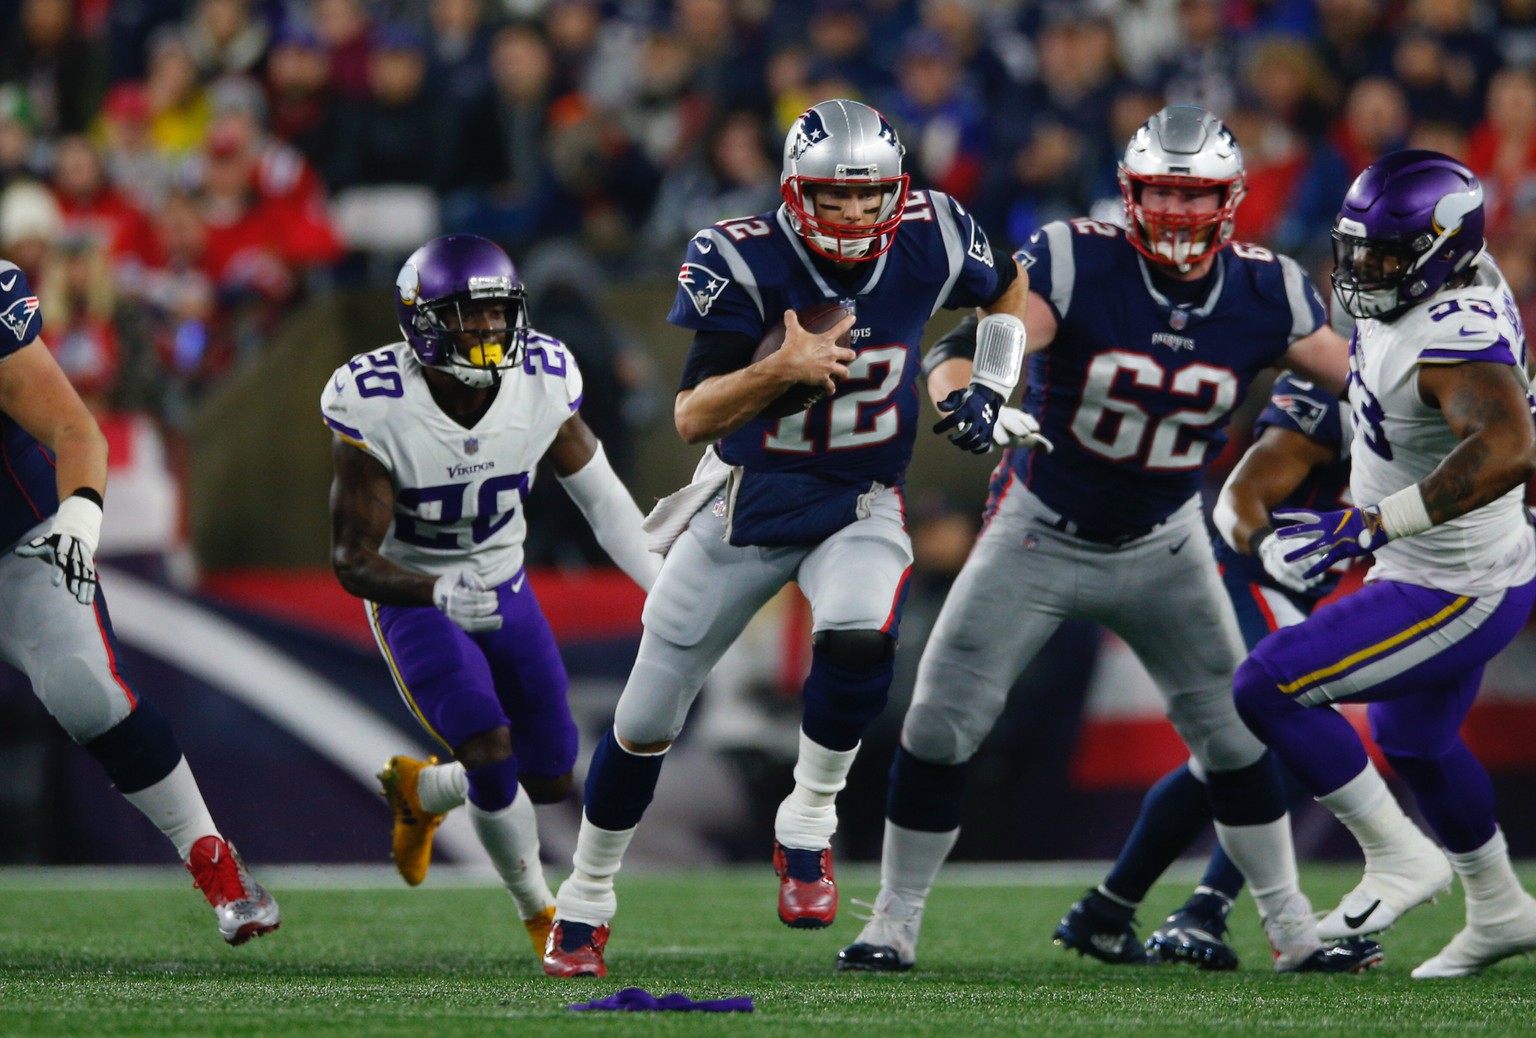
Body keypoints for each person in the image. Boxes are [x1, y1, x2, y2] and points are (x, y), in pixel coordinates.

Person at [837, 104, 1376, 976]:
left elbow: (1366, 382)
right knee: (937, 728)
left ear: (1230, 201)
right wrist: (968, 395)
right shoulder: (1076, 258)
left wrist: (1468, 397)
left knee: (1238, 740)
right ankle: (892, 924)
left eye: (1194, 195)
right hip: (1038, 534)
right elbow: (971, 345)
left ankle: (1294, 932)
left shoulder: (1266, 287)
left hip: (1166, 543)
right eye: (1160, 192)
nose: (1175, 213)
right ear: (1130, 194)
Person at [541, 98, 1031, 978]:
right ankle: (586, 893)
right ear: (794, 194)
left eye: (868, 197)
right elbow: (691, 416)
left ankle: (808, 818)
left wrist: (987, 381)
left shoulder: (936, 231)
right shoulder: (740, 254)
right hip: (745, 501)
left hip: (857, 497)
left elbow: (1009, 297)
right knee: (647, 718)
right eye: (832, 200)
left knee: (855, 630)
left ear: (898, 192)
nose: (852, 216)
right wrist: (778, 369)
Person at [1220, 150, 1536, 979]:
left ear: (1441, 252)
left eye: (1386, 256)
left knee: (1267, 684)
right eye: (1357, 249)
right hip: (1448, 564)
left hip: (1453, 581)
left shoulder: (1453, 333)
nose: (1364, 269)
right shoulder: (1431, 286)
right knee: (1416, 740)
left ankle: (1399, 855)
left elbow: (1507, 446)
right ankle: (1503, 908)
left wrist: (1373, 523)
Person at [321, 234, 659, 959]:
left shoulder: (541, 380)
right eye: (466, 317)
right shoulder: (377, 403)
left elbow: (603, 501)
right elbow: (352, 559)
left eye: (497, 315)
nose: (486, 331)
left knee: (548, 774)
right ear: (421, 322)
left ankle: (424, 791)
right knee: (488, 741)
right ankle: (544, 915)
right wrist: (435, 590)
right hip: (415, 595)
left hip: (507, 582)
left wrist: (666, 591)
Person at [0, 258, 279, 945]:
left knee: (85, 688)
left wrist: (80, 519)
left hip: (15, 535)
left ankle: (213, 858)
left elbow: (76, 429)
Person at [1053, 372, 1353, 971]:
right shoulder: (1335, 394)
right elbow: (1241, 496)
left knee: (1226, 755)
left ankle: (1111, 910)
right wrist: (1269, 543)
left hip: (1288, 593)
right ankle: (1212, 911)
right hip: (1244, 575)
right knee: (1295, 731)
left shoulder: (1441, 394)